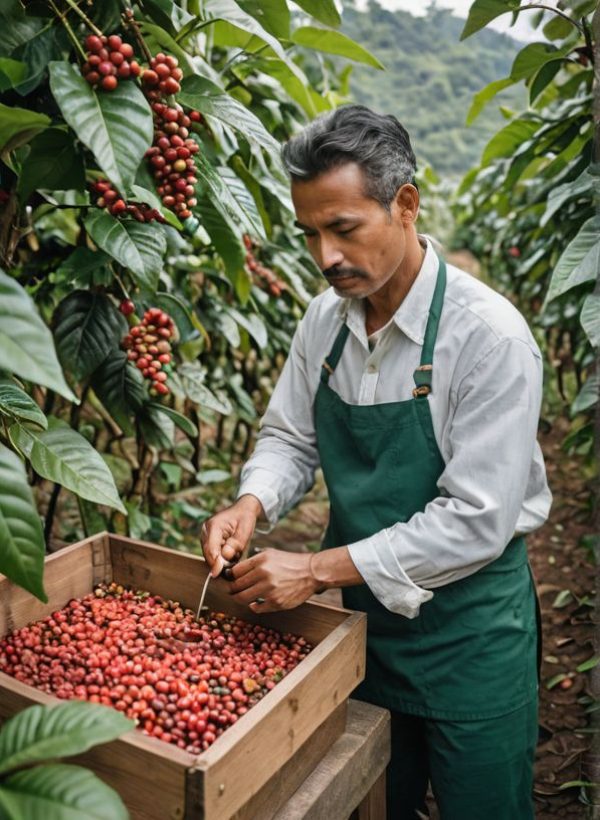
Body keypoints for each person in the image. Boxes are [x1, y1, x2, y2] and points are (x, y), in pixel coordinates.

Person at [200, 104, 552, 819]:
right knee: (369, 799)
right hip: (362, 635)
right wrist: (252, 503)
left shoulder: (488, 338)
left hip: (470, 635)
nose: (325, 255)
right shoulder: (323, 323)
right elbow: (291, 437)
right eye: (310, 234)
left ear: (406, 205)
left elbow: (475, 521)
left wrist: (316, 569)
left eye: (344, 228)